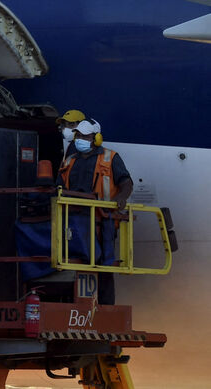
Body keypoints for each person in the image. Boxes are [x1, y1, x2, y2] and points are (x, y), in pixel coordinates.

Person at [57, 118, 133, 304]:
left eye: (86, 136)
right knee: (74, 262)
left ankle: (106, 307)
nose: (81, 139)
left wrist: (121, 198)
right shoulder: (70, 161)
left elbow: (126, 182)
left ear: (96, 138)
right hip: (74, 222)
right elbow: (58, 188)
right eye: (79, 135)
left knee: (104, 266)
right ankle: (75, 305)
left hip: (103, 222)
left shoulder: (110, 158)